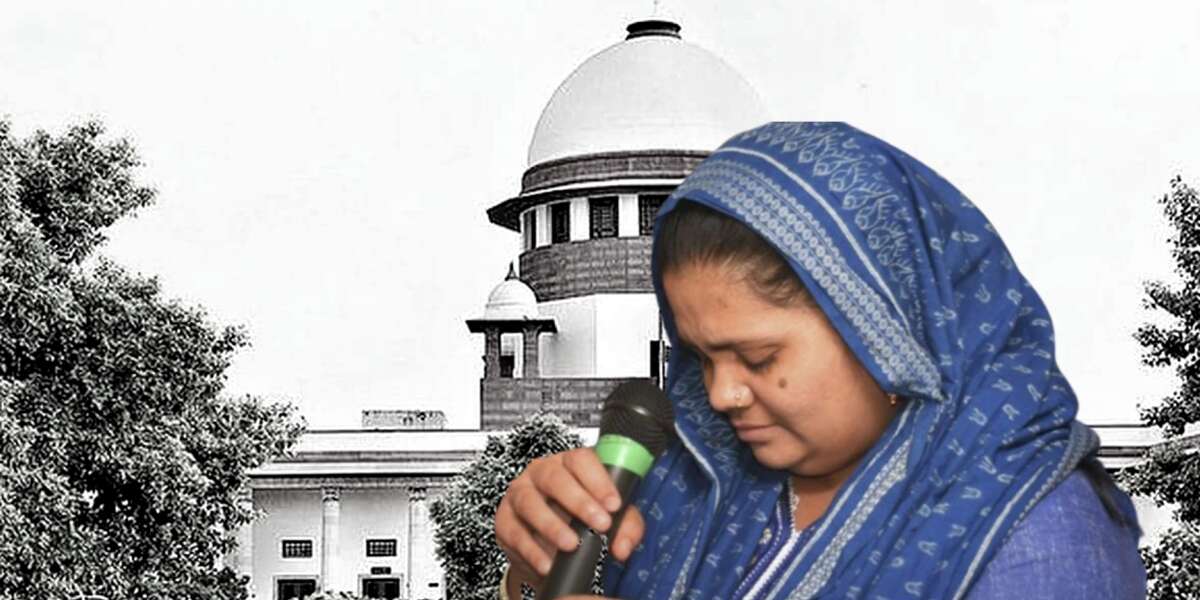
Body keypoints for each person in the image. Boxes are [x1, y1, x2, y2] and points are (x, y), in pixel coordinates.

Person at [494, 122, 1146, 599]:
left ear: (889, 332)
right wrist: (536, 568)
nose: (719, 395)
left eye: (757, 357)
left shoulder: (1038, 540)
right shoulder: (704, 487)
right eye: (700, 358)